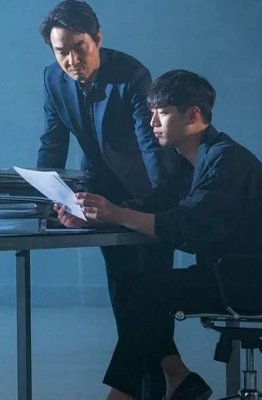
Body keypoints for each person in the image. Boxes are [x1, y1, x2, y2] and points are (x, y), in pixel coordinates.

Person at [57, 69, 262, 400]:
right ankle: (176, 376)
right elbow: (156, 205)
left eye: (163, 112)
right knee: (138, 287)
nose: (152, 122)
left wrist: (117, 214)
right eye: (152, 112)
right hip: (227, 273)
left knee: (149, 292)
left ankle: (129, 393)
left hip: (258, 283)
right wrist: (96, 218)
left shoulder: (227, 161)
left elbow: (188, 227)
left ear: (193, 115)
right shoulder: (191, 160)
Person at [37, 1, 176, 398]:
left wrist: (155, 208)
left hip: (151, 194)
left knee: (152, 290)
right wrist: (47, 198)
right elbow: (52, 144)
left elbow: (151, 148)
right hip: (100, 194)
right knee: (124, 291)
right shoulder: (52, 79)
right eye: (61, 51)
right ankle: (166, 381)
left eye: (79, 47)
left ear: (97, 38)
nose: (71, 60)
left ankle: (150, 386)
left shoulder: (132, 75)